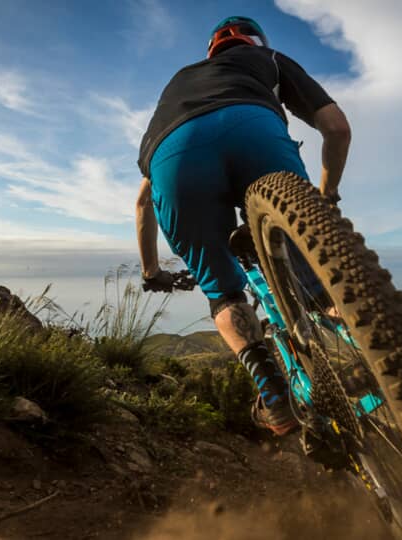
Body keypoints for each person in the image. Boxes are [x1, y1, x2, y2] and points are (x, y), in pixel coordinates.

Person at [135, 16, 351, 435]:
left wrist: (152, 272)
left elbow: (143, 203)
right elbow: (337, 128)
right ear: (255, 42)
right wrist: (326, 198)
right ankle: (358, 330)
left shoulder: (178, 85)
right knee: (306, 261)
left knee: (224, 292)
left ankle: (274, 397)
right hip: (254, 129)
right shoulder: (268, 59)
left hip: (172, 155)